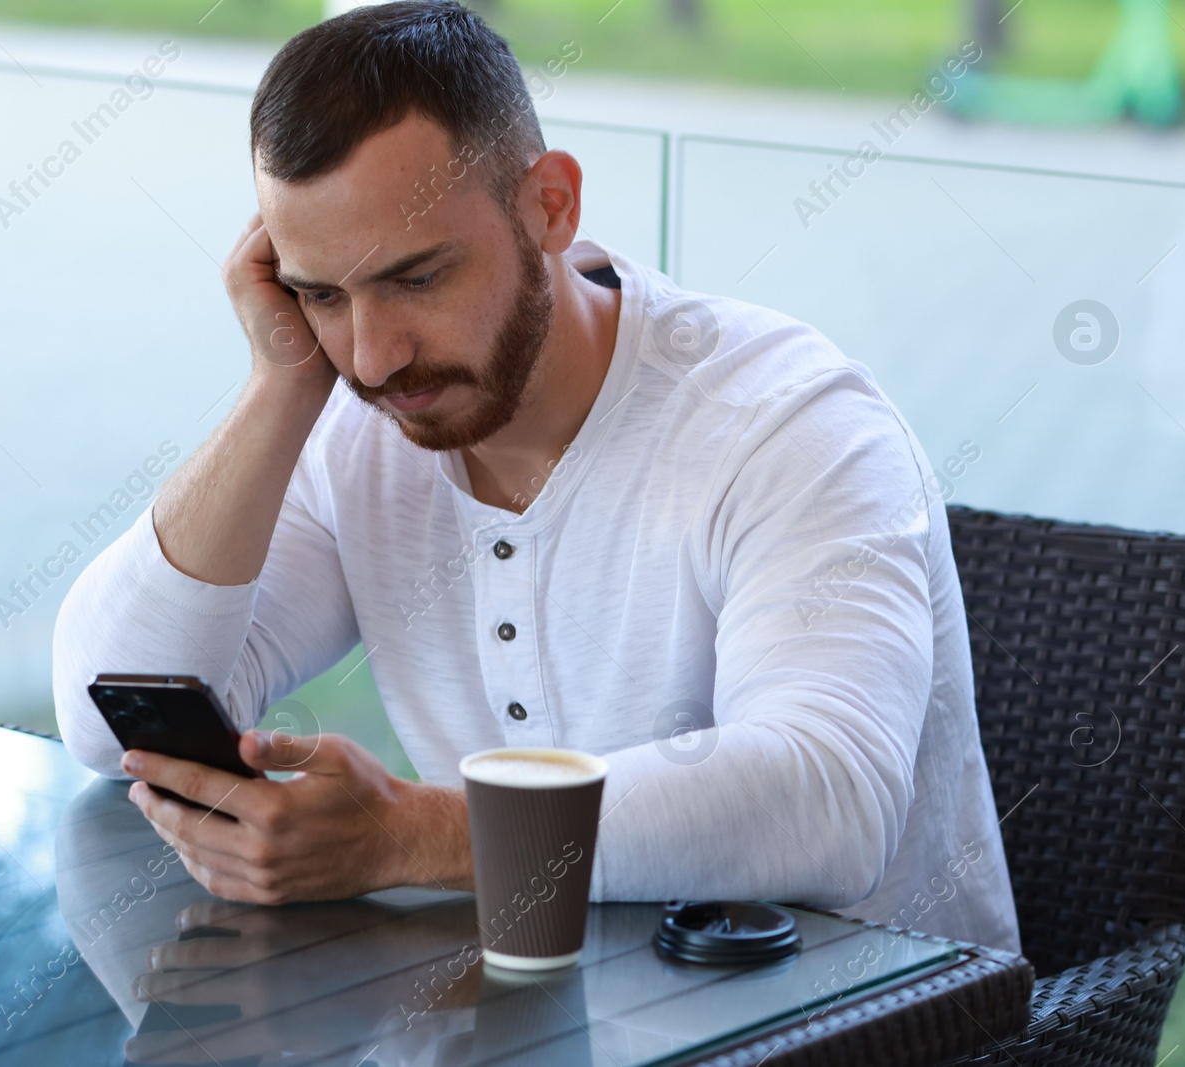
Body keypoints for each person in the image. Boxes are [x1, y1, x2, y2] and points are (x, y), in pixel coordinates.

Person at [52, 0, 1022, 953]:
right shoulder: (362, 422)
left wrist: (409, 833)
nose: (375, 355)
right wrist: (280, 388)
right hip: (551, 1011)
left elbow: (829, 801)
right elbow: (110, 717)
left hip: (877, 1023)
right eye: (320, 293)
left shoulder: (787, 420)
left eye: (417, 277)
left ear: (550, 204)